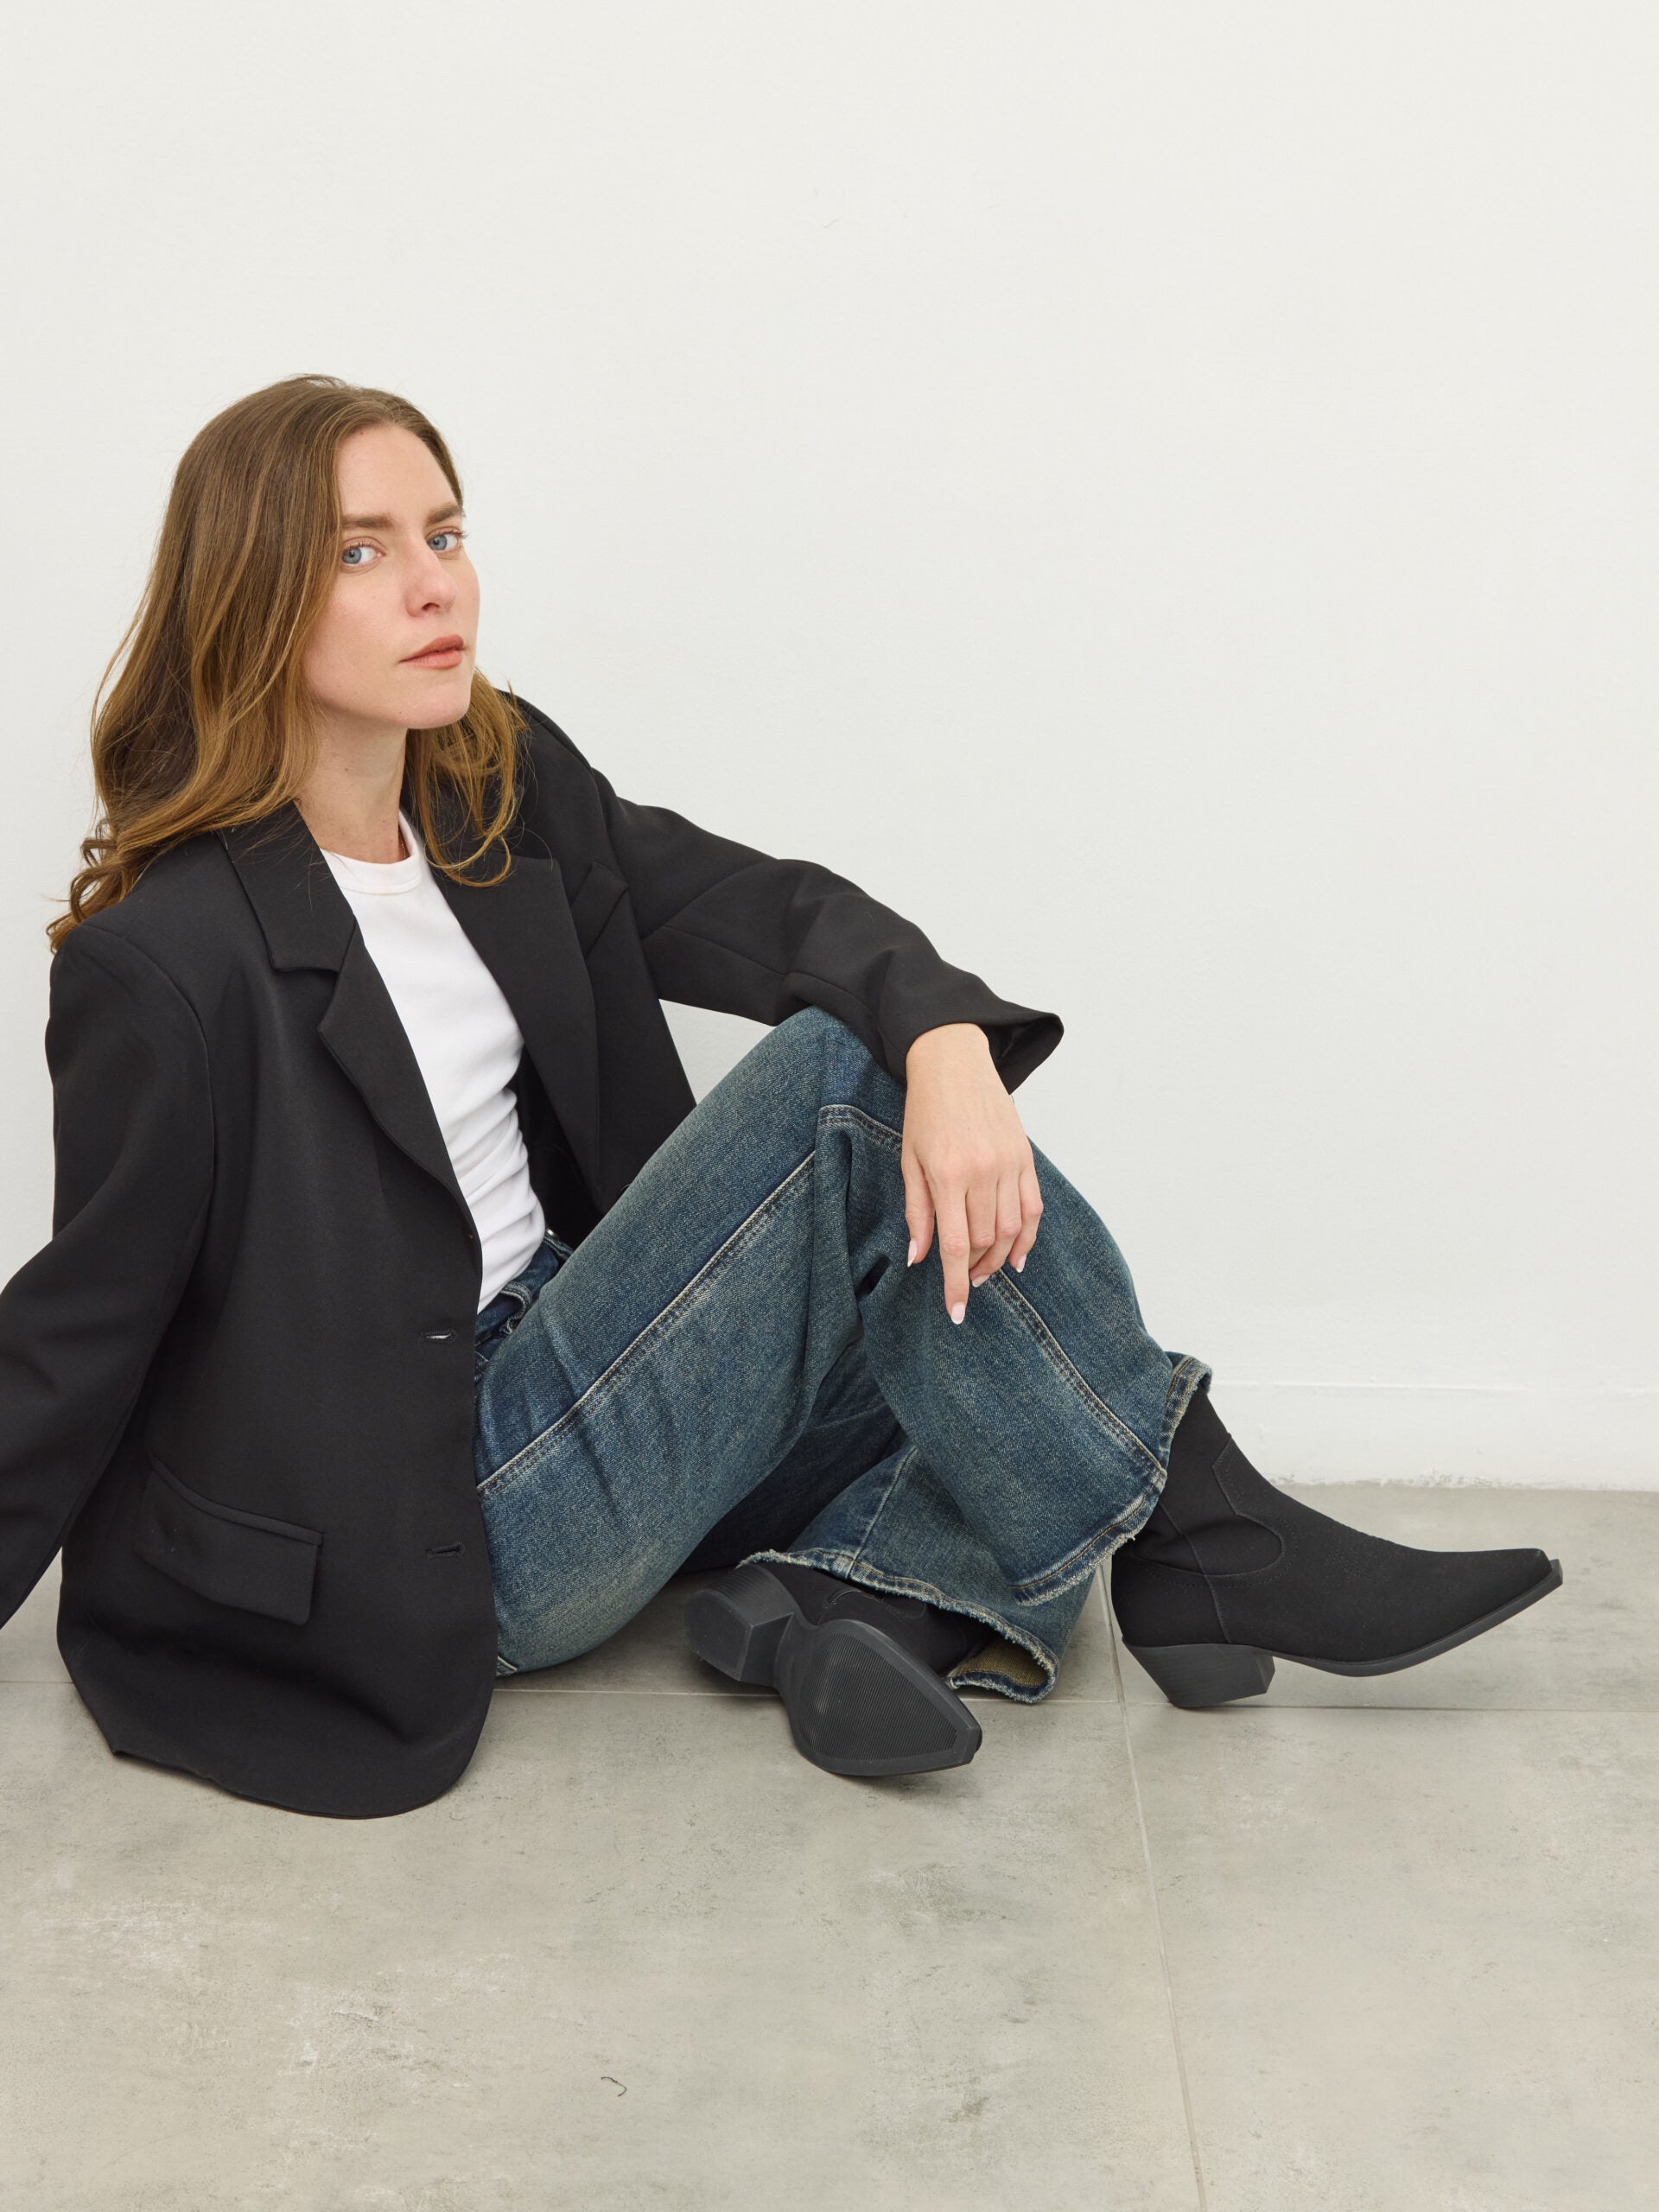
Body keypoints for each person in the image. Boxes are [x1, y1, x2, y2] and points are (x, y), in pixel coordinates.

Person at [0, 375, 1562, 1820]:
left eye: (446, 534)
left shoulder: (494, 788)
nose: (435, 585)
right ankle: (1203, 1540)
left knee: (986, 1348)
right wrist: (901, 1064)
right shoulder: (170, 962)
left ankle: (845, 1607)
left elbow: (762, 910)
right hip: (448, 1503)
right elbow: (81, 1326)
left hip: (581, 1355)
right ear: (255, 597)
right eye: (363, 551)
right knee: (845, 1105)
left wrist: (946, 1042)